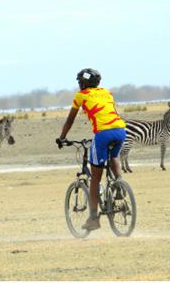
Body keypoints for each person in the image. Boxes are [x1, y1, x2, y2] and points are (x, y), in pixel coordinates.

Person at [57, 68, 127, 231]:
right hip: (120, 131)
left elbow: (70, 120)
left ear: (84, 83)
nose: (79, 84)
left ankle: (94, 218)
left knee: (95, 177)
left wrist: (62, 137)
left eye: (80, 82)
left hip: (102, 134)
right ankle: (119, 184)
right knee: (113, 157)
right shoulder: (107, 93)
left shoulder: (81, 96)